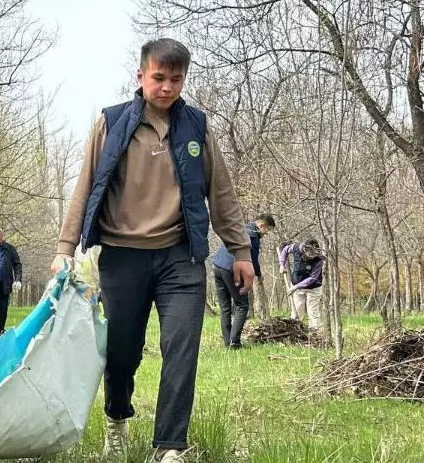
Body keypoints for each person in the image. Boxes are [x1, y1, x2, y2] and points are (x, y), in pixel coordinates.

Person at [50, 38, 253, 463]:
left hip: (181, 255)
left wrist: (240, 250)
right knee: (123, 351)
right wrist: (65, 248)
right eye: (158, 78)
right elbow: (84, 187)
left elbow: (222, 193)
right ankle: (117, 418)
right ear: (140, 76)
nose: (167, 87)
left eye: (176, 79)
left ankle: (170, 447)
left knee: (181, 348)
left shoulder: (196, 126)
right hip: (123, 255)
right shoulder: (111, 123)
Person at [211, 213, 276, 349]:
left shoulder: (241, 228)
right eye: (267, 229)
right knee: (242, 305)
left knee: (225, 308)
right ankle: (234, 343)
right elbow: (252, 261)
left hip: (217, 266)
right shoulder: (253, 236)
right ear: (262, 225)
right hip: (231, 269)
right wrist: (258, 275)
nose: (266, 233)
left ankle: (228, 342)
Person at [278, 239, 325, 330]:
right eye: (309, 253)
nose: (311, 256)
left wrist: (295, 287)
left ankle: (314, 332)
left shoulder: (319, 259)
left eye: (313, 253)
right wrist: (281, 265)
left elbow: (313, 278)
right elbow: (284, 250)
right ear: (305, 249)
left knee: (312, 310)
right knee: (297, 309)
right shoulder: (296, 247)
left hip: (313, 288)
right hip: (297, 284)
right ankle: (295, 331)